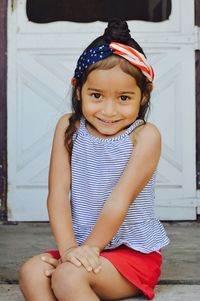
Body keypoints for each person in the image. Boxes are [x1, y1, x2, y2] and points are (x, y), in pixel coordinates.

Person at [19, 19, 170, 301]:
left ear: (144, 95)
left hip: (133, 255)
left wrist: (87, 251)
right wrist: (68, 252)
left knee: (67, 276)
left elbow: (119, 200)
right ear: (78, 89)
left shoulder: (145, 136)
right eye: (96, 95)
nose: (109, 111)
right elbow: (58, 196)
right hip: (81, 247)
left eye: (124, 98)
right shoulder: (68, 127)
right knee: (31, 272)